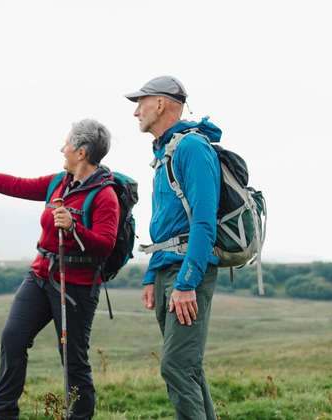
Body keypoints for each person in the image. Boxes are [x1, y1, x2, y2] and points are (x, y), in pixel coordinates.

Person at [0, 119, 119, 420]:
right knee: (12, 338)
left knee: (73, 360)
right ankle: (1, 415)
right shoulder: (58, 183)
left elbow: (105, 244)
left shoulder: (105, 196)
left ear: (81, 152)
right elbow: (17, 185)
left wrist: (75, 226)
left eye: (66, 143)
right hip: (40, 277)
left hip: (76, 287)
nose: (61, 148)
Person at [125, 76, 223, 420]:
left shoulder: (192, 148)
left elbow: (203, 221)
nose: (137, 112)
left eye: (142, 103)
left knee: (176, 368)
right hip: (167, 269)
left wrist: (187, 282)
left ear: (162, 104)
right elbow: (165, 222)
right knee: (188, 368)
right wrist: (151, 274)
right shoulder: (165, 151)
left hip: (186, 272)